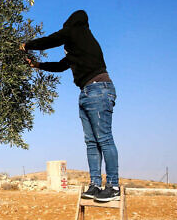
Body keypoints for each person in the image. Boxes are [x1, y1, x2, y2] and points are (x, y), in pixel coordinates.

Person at [20, 10, 120, 202]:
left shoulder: (77, 32)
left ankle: (113, 186)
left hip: (98, 89)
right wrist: (36, 65)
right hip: (87, 92)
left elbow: (51, 40)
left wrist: (27, 46)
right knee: (91, 142)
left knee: (104, 139)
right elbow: (60, 65)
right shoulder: (78, 46)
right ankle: (95, 185)